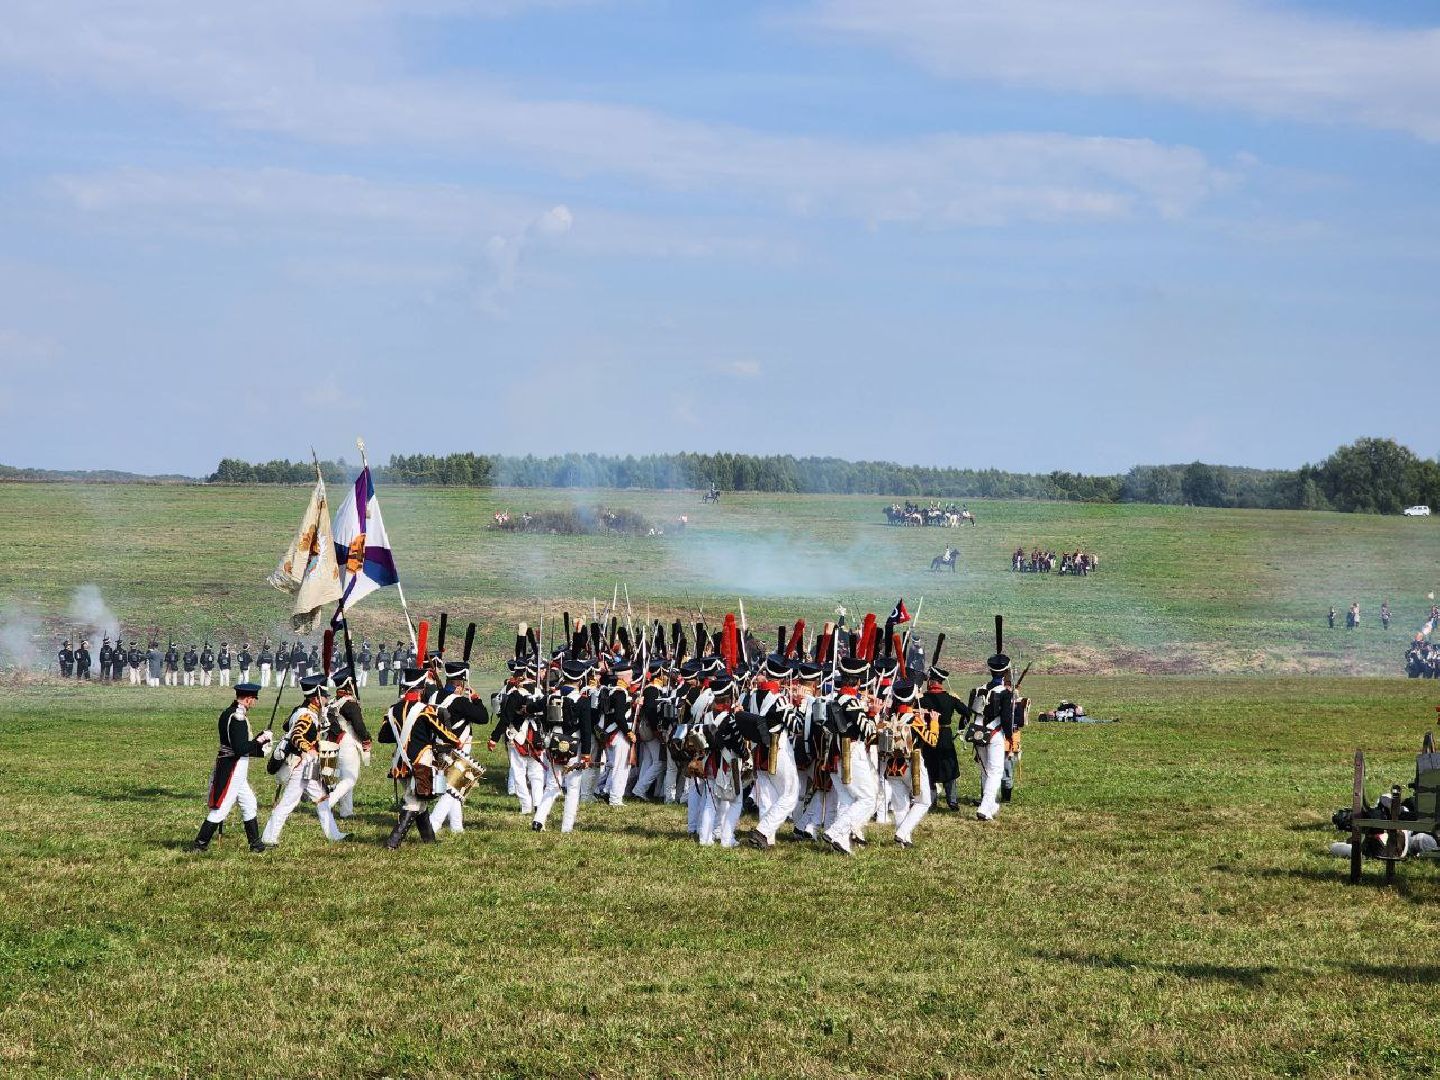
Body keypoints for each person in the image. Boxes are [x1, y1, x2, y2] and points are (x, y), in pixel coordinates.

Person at [261, 674, 345, 846]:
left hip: (307, 765)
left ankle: (334, 834)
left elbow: (287, 726)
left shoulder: (303, 711)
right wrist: (308, 750)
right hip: (302, 764)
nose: (327, 698)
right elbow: (297, 736)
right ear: (316, 698)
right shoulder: (307, 715)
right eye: (324, 696)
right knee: (288, 803)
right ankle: (269, 838)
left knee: (322, 798)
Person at [192, 683, 272, 853]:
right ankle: (200, 844)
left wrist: (260, 744)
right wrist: (259, 740)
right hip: (233, 767)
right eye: (254, 700)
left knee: (249, 803)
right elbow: (240, 748)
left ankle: (256, 844)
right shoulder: (238, 717)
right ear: (249, 699)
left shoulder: (231, 712)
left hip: (236, 766)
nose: (254, 703)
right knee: (221, 808)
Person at [744, 654, 801, 850]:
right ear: (783, 677)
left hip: (760, 749)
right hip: (778, 749)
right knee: (790, 794)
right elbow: (796, 726)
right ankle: (763, 830)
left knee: (768, 796)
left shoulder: (753, 695)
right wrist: (798, 706)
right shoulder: (780, 699)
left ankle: (767, 838)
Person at [427, 660, 491, 835]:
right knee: (453, 788)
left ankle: (457, 826)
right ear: (459, 684)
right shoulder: (459, 702)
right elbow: (483, 717)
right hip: (456, 750)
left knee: (454, 787)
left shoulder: (433, 696)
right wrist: (477, 700)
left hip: (437, 747)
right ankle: (434, 823)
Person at [882, 680, 939, 847]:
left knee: (900, 805)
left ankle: (904, 840)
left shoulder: (890, 717)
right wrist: (933, 722)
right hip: (912, 763)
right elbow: (932, 740)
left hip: (892, 765)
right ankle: (902, 833)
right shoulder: (914, 720)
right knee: (923, 801)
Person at [965, 651, 1018, 821]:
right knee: (995, 772)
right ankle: (983, 807)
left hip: (978, 734)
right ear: (1004, 672)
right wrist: (1009, 736)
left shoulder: (979, 689)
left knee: (986, 771)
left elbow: (969, 712)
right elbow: (1007, 718)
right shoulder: (1005, 693)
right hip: (994, 734)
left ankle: (989, 807)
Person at [324, 667, 372, 820]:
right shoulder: (350, 704)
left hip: (335, 742)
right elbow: (359, 726)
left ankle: (346, 811)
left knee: (346, 777)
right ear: (349, 685)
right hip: (347, 742)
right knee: (350, 779)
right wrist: (366, 738)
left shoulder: (334, 701)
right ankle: (326, 804)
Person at [919, 663, 967, 810]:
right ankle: (952, 801)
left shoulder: (921, 698)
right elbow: (966, 712)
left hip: (928, 736)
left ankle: (931, 801)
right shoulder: (951, 698)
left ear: (932, 681)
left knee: (929, 768)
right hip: (945, 736)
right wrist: (961, 727)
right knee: (949, 769)